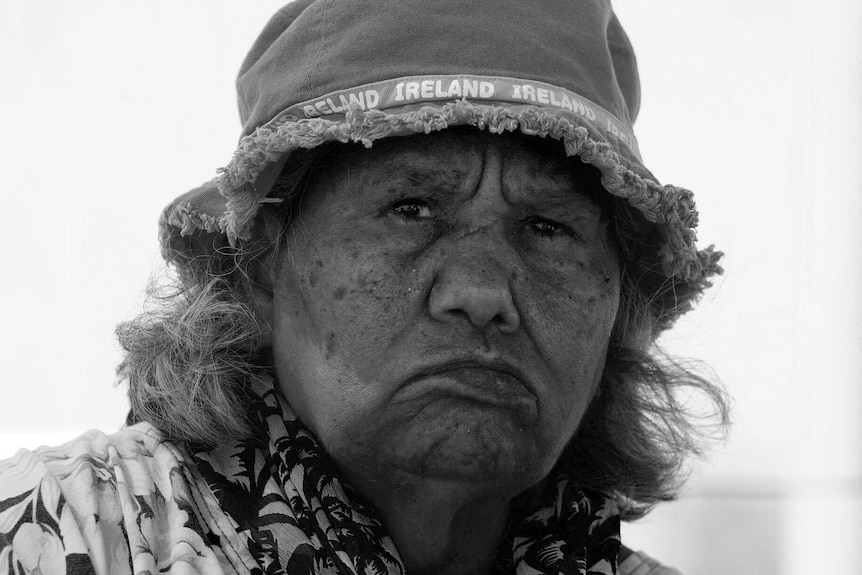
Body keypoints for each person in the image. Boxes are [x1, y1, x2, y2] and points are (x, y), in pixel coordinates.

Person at [0, 0, 728, 573]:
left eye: (547, 227)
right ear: (260, 265)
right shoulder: (58, 536)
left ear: (616, 309)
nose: (481, 291)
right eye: (410, 209)